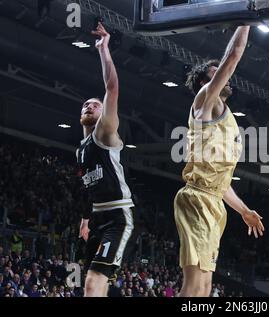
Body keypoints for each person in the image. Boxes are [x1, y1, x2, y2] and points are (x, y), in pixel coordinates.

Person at [174, 25, 265, 297]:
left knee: (205, 288)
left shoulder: (227, 119)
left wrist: (244, 211)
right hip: (197, 198)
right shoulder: (204, 100)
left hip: (214, 201)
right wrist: (245, 19)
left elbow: (222, 183)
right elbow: (234, 55)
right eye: (216, 74)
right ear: (205, 83)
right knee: (192, 288)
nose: (225, 77)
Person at [77, 22, 138, 297]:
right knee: (92, 285)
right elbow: (86, 187)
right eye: (85, 105)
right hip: (97, 216)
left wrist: (104, 50)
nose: (89, 106)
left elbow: (112, 88)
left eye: (95, 104)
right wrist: (85, 219)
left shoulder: (104, 132)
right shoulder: (81, 149)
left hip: (116, 216)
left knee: (93, 282)